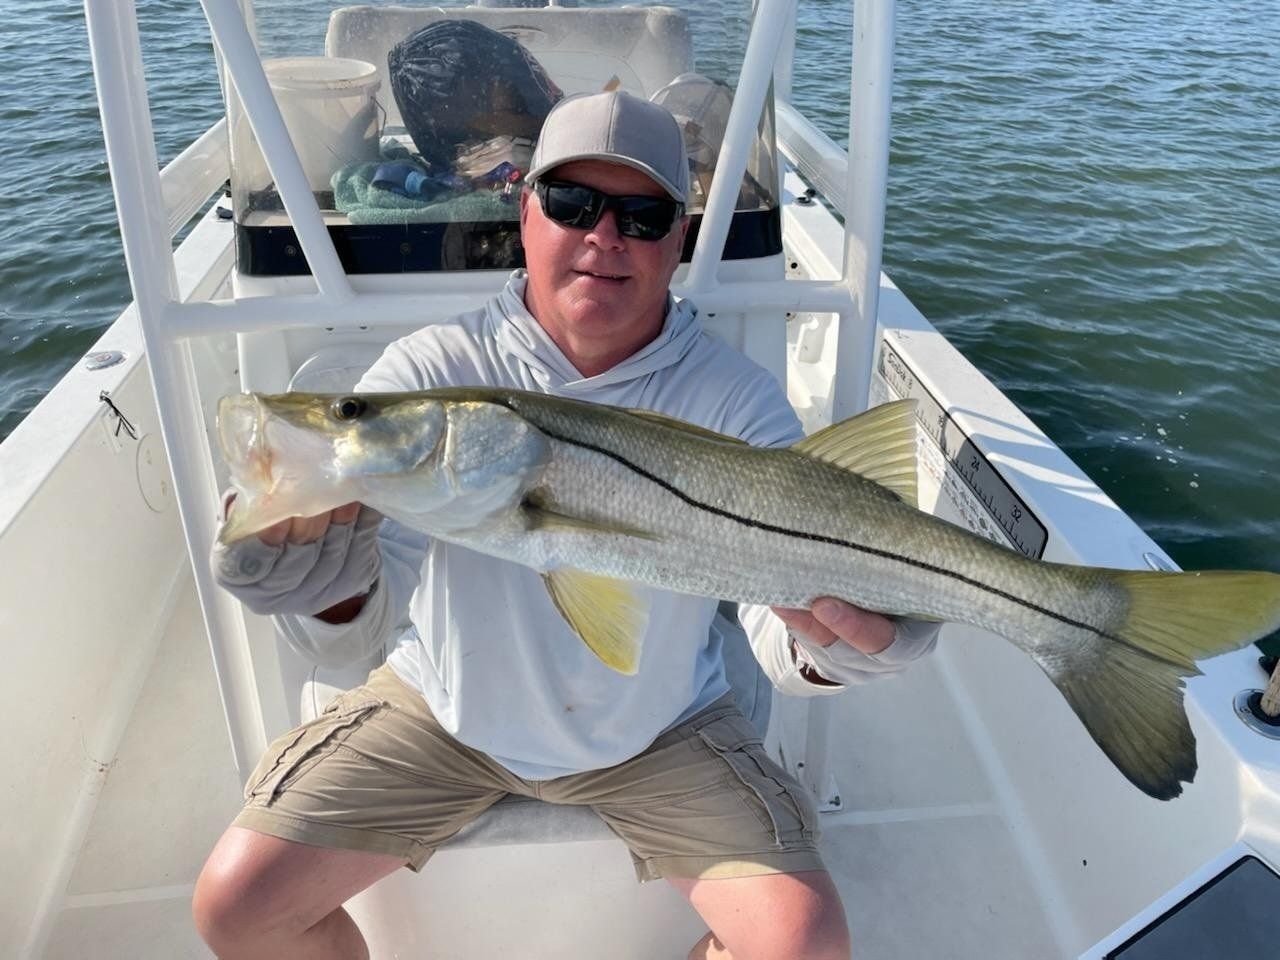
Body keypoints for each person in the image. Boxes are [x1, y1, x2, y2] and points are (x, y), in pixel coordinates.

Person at [193, 90, 938, 960]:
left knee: (804, 948)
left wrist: (849, 644)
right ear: (526, 211)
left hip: (660, 726)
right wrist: (322, 590)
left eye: (643, 214)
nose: (604, 235)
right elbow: (352, 636)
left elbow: (782, 642)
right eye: (572, 203)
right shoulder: (438, 370)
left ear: (680, 237)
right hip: (447, 713)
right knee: (234, 907)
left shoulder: (735, 402)